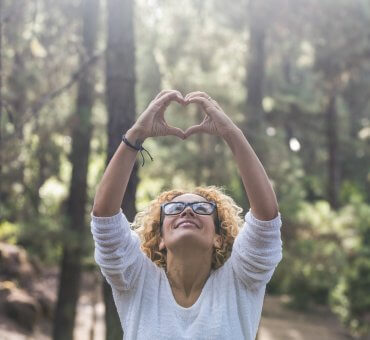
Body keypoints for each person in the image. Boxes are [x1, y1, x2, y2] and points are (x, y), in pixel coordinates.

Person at [91, 90, 283, 340]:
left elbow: (267, 220)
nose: (188, 210)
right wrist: (136, 134)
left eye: (203, 209)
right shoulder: (137, 280)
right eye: (174, 209)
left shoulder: (240, 279)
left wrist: (231, 134)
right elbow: (104, 219)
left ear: (218, 237)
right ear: (160, 237)